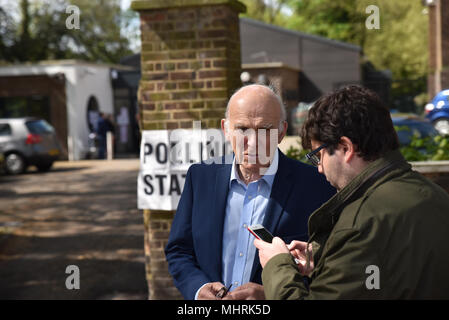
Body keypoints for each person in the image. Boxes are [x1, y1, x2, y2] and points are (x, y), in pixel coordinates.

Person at [255, 85, 449, 299]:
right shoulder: (435, 195)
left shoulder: (360, 223)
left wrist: (277, 265)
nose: (319, 168)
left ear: (345, 148)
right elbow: (381, 278)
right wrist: (328, 260)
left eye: (318, 156)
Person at [165, 84, 336, 300]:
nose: (253, 143)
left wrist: (274, 294)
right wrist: (198, 289)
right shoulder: (200, 178)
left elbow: (330, 269)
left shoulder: (316, 185)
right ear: (226, 129)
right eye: (242, 129)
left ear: (282, 132)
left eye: (265, 130)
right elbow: (179, 250)